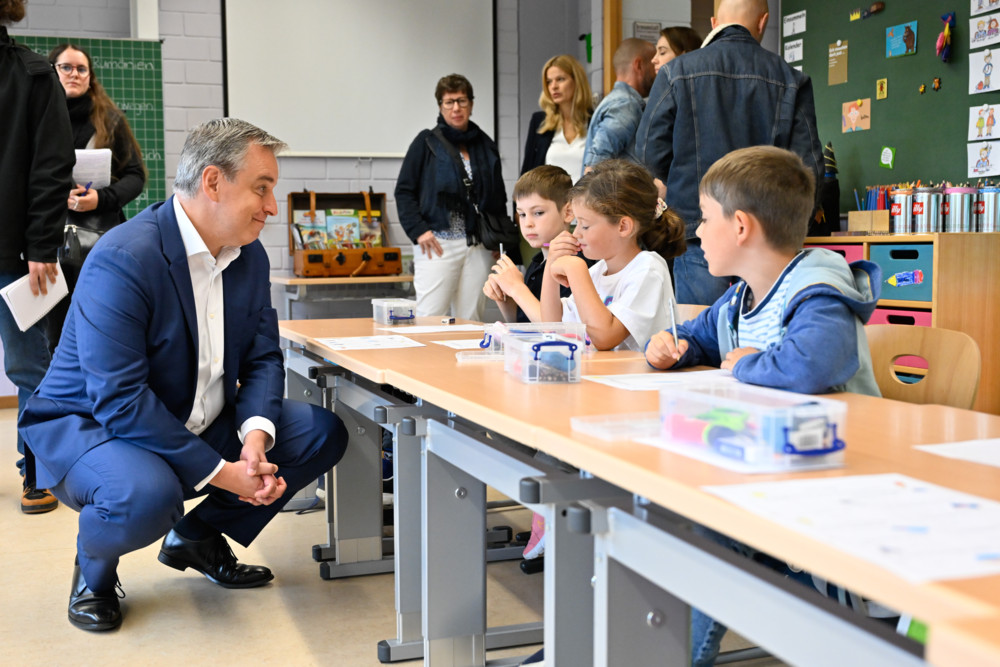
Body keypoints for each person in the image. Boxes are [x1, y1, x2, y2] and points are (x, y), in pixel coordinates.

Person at [19, 118, 349, 632]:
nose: (270, 207)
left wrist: (255, 440)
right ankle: (94, 569)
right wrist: (223, 474)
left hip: (186, 412)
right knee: (145, 495)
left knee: (317, 432)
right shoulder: (125, 257)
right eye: (262, 189)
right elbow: (120, 400)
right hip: (90, 427)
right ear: (213, 182)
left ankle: (196, 537)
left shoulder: (249, 257)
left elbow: (263, 356)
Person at [644, 145, 881, 666]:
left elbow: (817, 362)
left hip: (836, 474)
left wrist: (744, 364)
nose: (699, 233)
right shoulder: (740, 296)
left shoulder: (817, 284)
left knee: (705, 525)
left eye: (706, 220)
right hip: (766, 466)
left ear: (742, 226)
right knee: (662, 511)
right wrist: (665, 347)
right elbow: (700, 338)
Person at [636, 0, 823, 306]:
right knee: (760, 338)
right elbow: (811, 169)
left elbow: (646, 157)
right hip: (768, 238)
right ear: (763, 22)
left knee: (701, 341)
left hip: (698, 235)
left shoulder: (676, 72)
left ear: (714, 22)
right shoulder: (791, 79)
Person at [0, 0, 75, 514]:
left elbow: (51, 166)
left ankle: (36, 472)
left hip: (16, 254)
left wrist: (41, 246)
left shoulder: (31, 74)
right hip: (19, 250)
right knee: (32, 367)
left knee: (30, 369)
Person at [45, 42, 147, 353]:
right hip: (47, 242)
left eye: (81, 69)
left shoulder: (110, 120)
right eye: (66, 67)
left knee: (100, 328)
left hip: (99, 239)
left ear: (91, 77)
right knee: (53, 336)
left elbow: (136, 176)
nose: (74, 74)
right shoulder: (38, 118)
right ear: (52, 72)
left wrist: (100, 199)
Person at [395, 74, 511, 321]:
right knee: (429, 315)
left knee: (472, 318)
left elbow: (498, 197)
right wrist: (419, 230)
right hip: (437, 243)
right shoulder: (426, 142)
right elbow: (404, 191)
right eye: (449, 102)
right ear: (440, 105)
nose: (456, 108)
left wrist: (499, 239)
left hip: (479, 244)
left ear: (471, 103)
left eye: (461, 100)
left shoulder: (485, 145)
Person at [539, 159, 685, 351]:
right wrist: (551, 265)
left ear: (623, 226)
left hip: (637, 379)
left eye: (585, 225)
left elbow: (605, 337)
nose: (576, 234)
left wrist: (576, 270)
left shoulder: (648, 269)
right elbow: (552, 326)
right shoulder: (599, 270)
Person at [483, 165, 575, 323]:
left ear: (567, 212)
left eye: (538, 213)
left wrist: (517, 289)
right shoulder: (536, 263)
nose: (527, 223)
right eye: (522, 214)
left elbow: (557, 328)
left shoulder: (576, 264)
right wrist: (504, 297)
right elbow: (524, 325)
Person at [582, 38, 656, 172]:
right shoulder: (625, 105)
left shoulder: (618, 101)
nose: (657, 71)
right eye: (653, 65)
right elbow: (595, 165)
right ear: (638, 65)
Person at [520, 54, 594, 179]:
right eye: (549, 82)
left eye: (560, 79)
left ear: (577, 81)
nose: (553, 86)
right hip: (549, 198)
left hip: (586, 198)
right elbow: (527, 173)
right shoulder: (539, 122)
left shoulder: (595, 122)